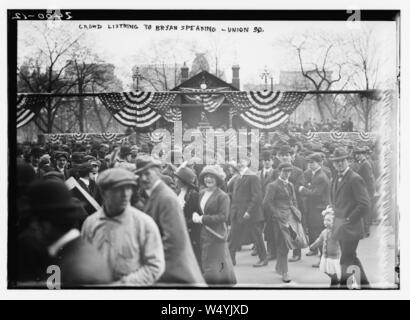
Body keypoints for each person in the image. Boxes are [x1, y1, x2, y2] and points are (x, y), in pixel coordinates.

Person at [81, 168, 165, 285]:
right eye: (119, 189)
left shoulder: (144, 224)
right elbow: (85, 262)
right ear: (104, 193)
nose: (125, 194)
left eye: (128, 188)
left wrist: (122, 285)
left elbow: (155, 266)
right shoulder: (90, 224)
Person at [19, 180, 111, 286]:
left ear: (45, 226)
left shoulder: (77, 273)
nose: (32, 228)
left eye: (33, 222)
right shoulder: (73, 253)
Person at [135, 156, 205, 285]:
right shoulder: (157, 194)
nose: (143, 178)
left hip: (173, 271)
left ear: (157, 172)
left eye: (147, 173)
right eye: (140, 175)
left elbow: (173, 240)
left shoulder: (165, 197)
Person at [329, 147, 370, 288]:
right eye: (336, 162)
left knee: (345, 259)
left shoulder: (354, 178)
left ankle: (343, 288)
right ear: (333, 163)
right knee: (351, 257)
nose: (339, 164)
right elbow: (337, 201)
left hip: (350, 228)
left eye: (342, 161)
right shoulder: (336, 178)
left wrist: (349, 220)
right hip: (341, 227)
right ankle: (366, 286)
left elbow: (364, 204)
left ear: (347, 161)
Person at [193, 165, 237, 286]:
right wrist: (196, 215)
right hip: (204, 233)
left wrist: (202, 219)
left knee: (216, 263)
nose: (208, 179)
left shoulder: (223, 196)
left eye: (212, 177)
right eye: (206, 177)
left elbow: (223, 217)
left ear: (217, 179)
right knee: (208, 261)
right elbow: (201, 210)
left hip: (216, 234)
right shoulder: (201, 193)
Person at [229, 156, 267, 268]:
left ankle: (263, 258)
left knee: (257, 237)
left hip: (250, 214)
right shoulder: (238, 177)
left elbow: (257, 197)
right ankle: (231, 259)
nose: (239, 164)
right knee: (233, 236)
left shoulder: (252, 176)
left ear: (248, 162)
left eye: (242, 161)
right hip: (237, 212)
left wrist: (249, 211)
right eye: (238, 161)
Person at [263, 162, 298, 283]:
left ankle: (279, 267)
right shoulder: (273, 186)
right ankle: (285, 272)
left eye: (289, 171)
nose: (287, 174)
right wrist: (276, 214)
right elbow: (267, 202)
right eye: (285, 171)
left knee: (289, 243)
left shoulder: (291, 185)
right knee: (283, 244)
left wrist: (296, 213)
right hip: (278, 220)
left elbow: (293, 200)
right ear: (279, 172)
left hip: (290, 218)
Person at [299, 153, 331, 267]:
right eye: (309, 162)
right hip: (317, 208)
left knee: (319, 235)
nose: (310, 164)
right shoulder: (316, 174)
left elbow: (316, 194)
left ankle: (323, 259)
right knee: (318, 234)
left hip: (318, 209)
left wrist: (303, 189)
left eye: (312, 162)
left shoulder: (320, 176)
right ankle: (323, 258)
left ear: (319, 163)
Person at [174, 166, 202, 267]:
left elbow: (198, 215)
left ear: (183, 180)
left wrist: (186, 222)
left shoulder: (193, 195)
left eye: (177, 178)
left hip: (192, 232)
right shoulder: (177, 193)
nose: (175, 180)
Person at [309, 212, 341, 288]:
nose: (326, 222)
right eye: (325, 220)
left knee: (333, 272)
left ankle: (335, 282)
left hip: (334, 257)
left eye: (329, 220)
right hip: (325, 256)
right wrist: (313, 246)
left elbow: (343, 241)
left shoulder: (337, 232)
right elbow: (319, 240)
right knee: (325, 270)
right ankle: (335, 279)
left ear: (334, 222)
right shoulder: (324, 232)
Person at [352, 147, 376, 237]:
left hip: (366, 191)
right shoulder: (364, 163)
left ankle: (366, 230)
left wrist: (369, 192)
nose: (357, 156)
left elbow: (369, 179)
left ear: (362, 155)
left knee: (365, 211)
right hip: (366, 190)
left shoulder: (365, 164)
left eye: (359, 154)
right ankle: (365, 230)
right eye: (356, 154)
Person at [258, 151, 276, 261]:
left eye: (268, 160)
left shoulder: (276, 173)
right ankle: (259, 248)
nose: (266, 162)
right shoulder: (258, 173)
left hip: (270, 205)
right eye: (264, 160)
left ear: (272, 161)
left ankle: (271, 251)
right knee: (260, 227)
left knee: (270, 228)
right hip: (260, 204)